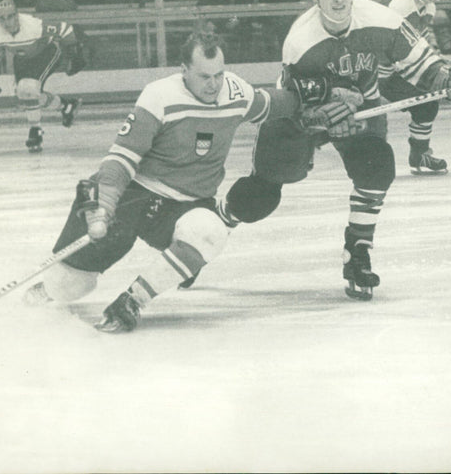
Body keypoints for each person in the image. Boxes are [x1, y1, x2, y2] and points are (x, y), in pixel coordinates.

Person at [214, 0, 451, 300]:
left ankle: (358, 252)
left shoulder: (381, 20)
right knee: (261, 196)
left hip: (361, 105)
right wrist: (322, 116)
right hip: (301, 114)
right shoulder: (301, 41)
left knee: (377, 165)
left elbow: (422, 63)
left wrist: (449, 77)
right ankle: (212, 227)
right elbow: (295, 102)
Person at [23, 32, 304, 332]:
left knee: (210, 231)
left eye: (219, 75)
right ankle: (51, 286)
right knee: (69, 287)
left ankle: (132, 300)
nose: (213, 85)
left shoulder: (235, 93)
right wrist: (104, 205)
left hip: (184, 206)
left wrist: (315, 100)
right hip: (135, 194)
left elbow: (276, 103)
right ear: (184, 70)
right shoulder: (159, 96)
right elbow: (121, 159)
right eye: (204, 76)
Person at [0, 0, 85, 153]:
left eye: (10, 17)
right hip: (22, 59)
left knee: (28, 88)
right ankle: (66, 106)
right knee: (24, 94)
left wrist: (75, 56)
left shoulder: (33, 25)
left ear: (17, 15)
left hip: (46, 52)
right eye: (1, 18)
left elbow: (65, 28)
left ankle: (35, 131)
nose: (6, 22)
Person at [387, 0, 451, 175]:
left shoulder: (429, 6)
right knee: (366, 113)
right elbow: (383, 41)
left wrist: (437, 59)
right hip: (374, 66)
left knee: (428, 100)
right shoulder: (401, 4)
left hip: (393, 65)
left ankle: (419, 154)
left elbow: (420, 38)